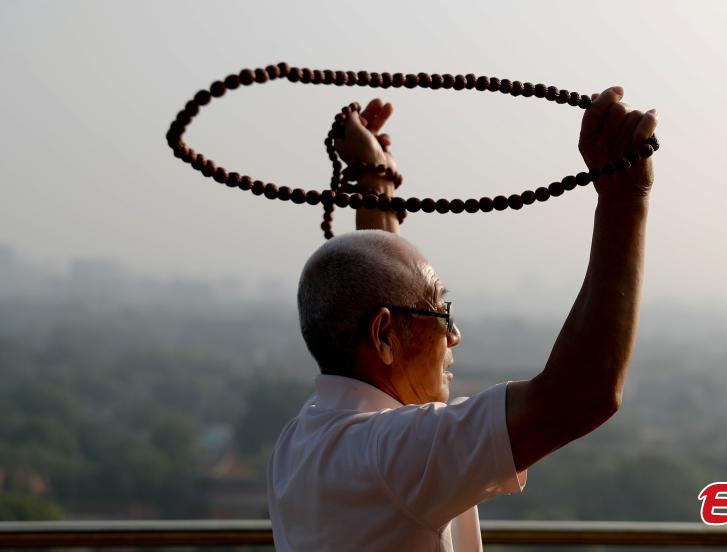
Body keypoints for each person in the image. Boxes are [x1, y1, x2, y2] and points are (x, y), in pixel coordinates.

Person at [267, 87, 658, 551]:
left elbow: (378, 283)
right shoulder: (391, 456)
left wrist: (376, 182)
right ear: (384, 336)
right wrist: (624, 199)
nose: (453, 335)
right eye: (439, 312)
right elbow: (581, 396)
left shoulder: (303, 439)